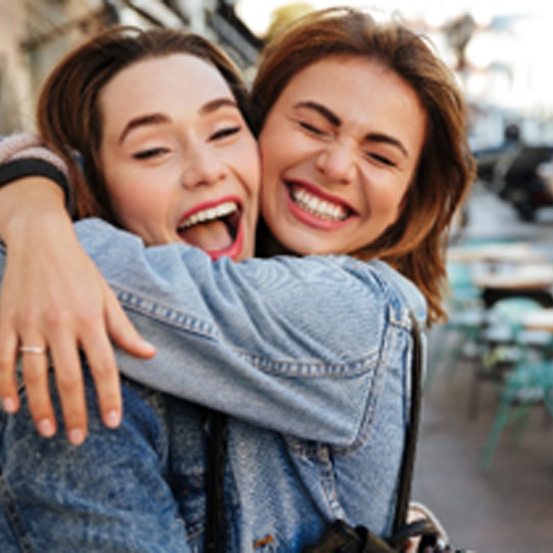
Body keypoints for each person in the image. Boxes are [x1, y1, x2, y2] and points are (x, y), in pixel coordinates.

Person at [0, 7, 475, 551]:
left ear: (408, 201)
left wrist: (34, 220)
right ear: (261, 130)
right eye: (312, 126)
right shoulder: (85, 387)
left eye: (382, 156)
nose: (339, 166)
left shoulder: (365, 313)